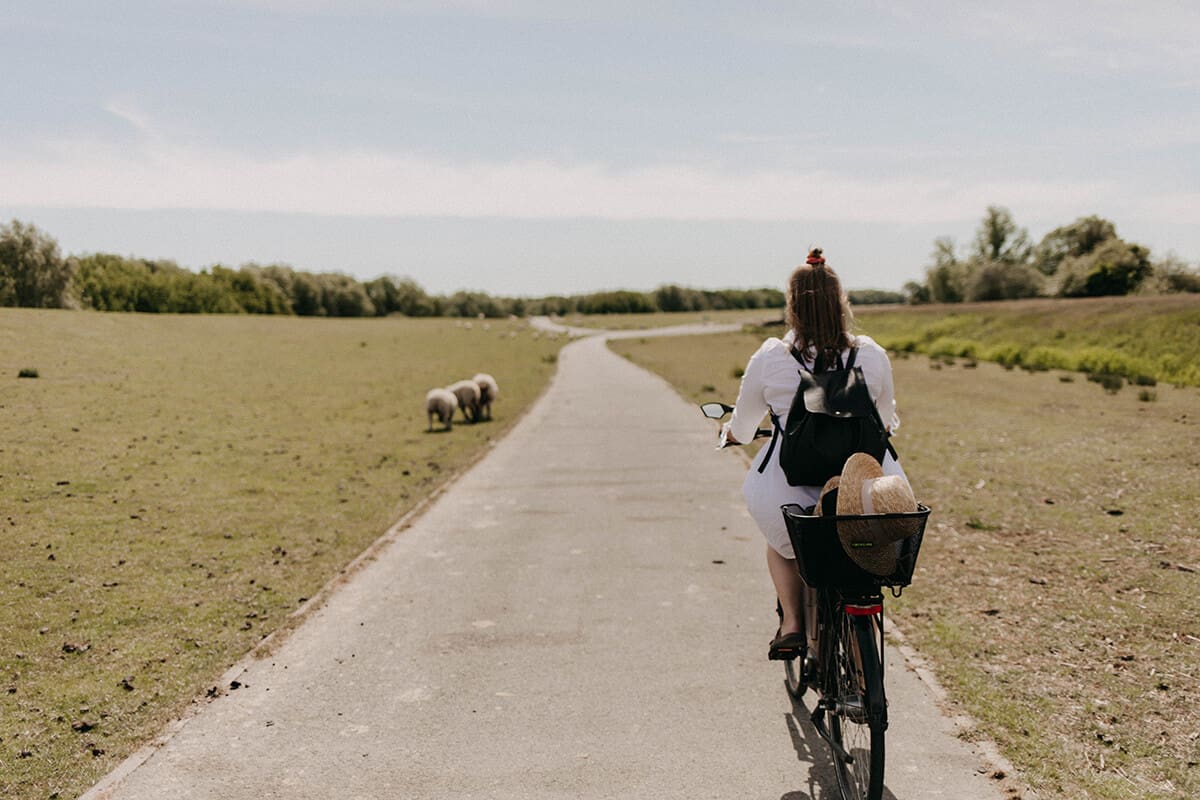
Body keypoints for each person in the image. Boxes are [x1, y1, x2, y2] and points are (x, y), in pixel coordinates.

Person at [722, 248, 907, 660]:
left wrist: (730, 434)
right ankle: (863, 661)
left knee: (784, 542)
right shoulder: (871, 355)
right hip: (866, 492)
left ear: (791, 305)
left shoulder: (772, 356)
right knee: (860, 555)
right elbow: (887, 420)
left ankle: (791, 623)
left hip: (790, 487)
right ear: (842, 302)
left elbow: (744, 425)